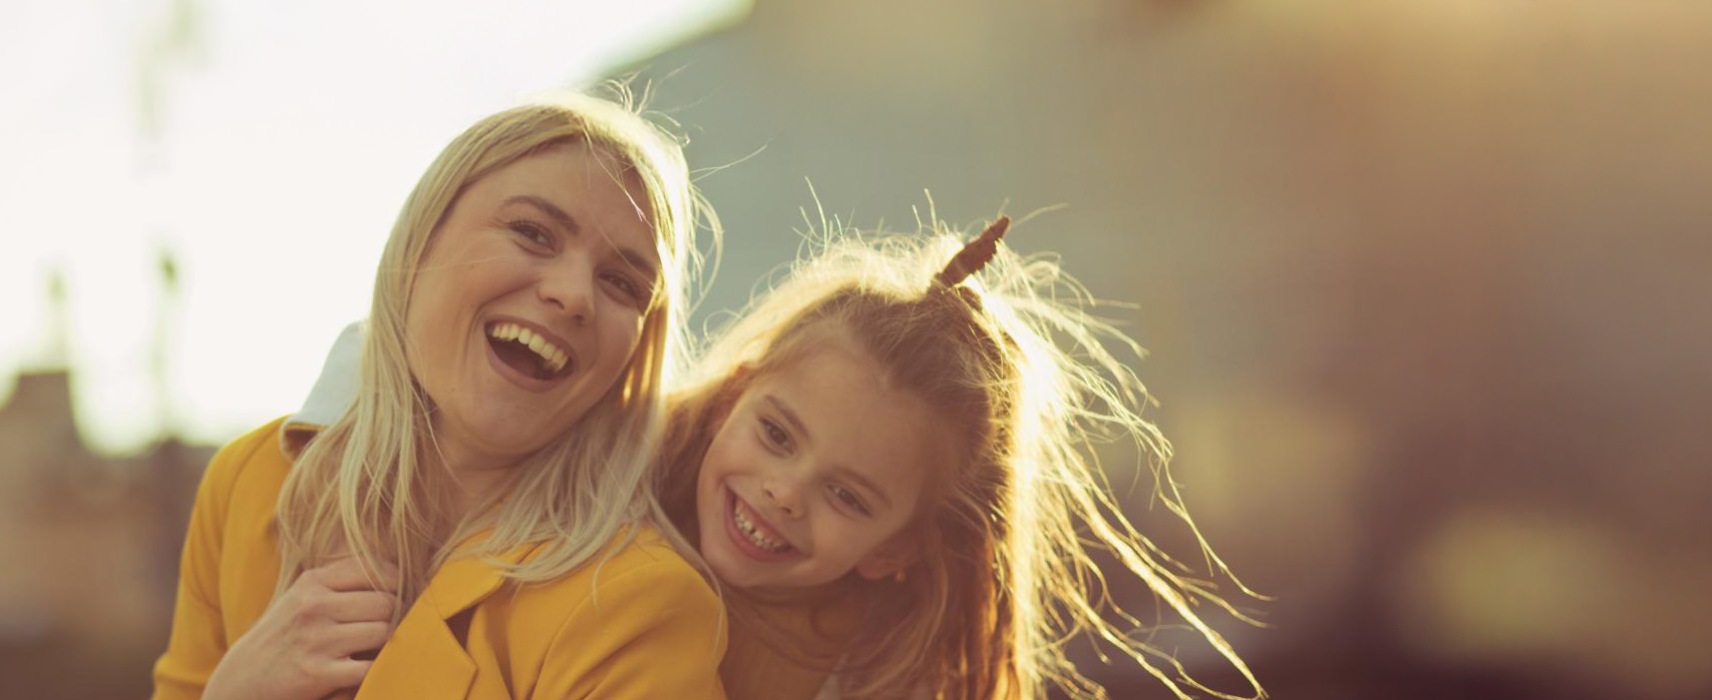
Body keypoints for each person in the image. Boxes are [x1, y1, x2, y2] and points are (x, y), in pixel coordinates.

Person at [292, 216, 1264, 699]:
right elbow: (369, 366)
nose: (780, 493)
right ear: (737, 390)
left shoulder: (861, 676)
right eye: (776, 433)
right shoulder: (604, 466)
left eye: (847, 494)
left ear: (898, 550)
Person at [150, 91, 726, 700]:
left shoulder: (642, 606)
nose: (574, 295)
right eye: (533, 233)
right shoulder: (250, 480)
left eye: (622, 282)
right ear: (422, 239)